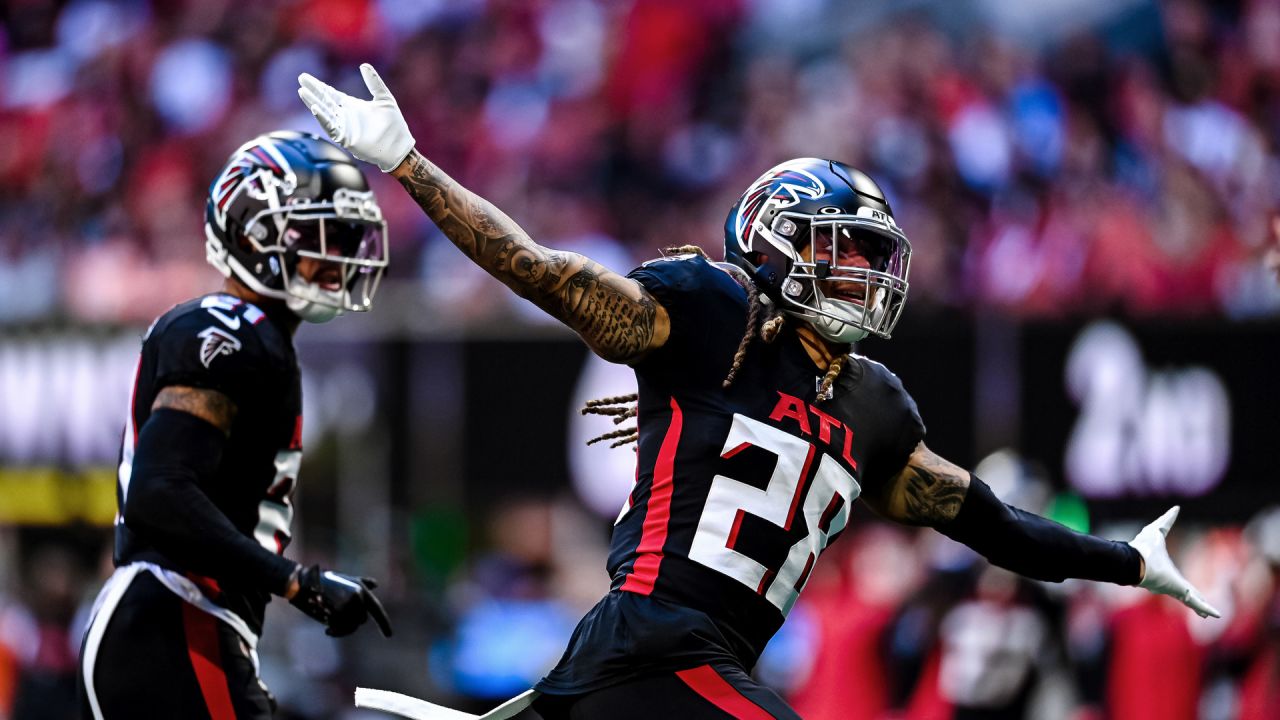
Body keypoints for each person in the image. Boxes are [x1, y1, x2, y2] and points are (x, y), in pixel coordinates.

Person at [297, 65, 1219, 720]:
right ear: (774, 244)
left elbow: (995, 525)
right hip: (650, 641)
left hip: (691, 668)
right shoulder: (715, 313)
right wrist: (410, 166)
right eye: (838, 249)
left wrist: (1126, 564)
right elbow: (541, 271)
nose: (860, 272)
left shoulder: (874, 404)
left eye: (868, 256)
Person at [77, 130, 394, 720]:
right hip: (173, 617)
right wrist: (298, 581)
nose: (339, 254)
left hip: (181, 622)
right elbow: (160, 491)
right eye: (320, 236)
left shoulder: (259, 340)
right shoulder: (227, 330)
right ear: (256, 235)